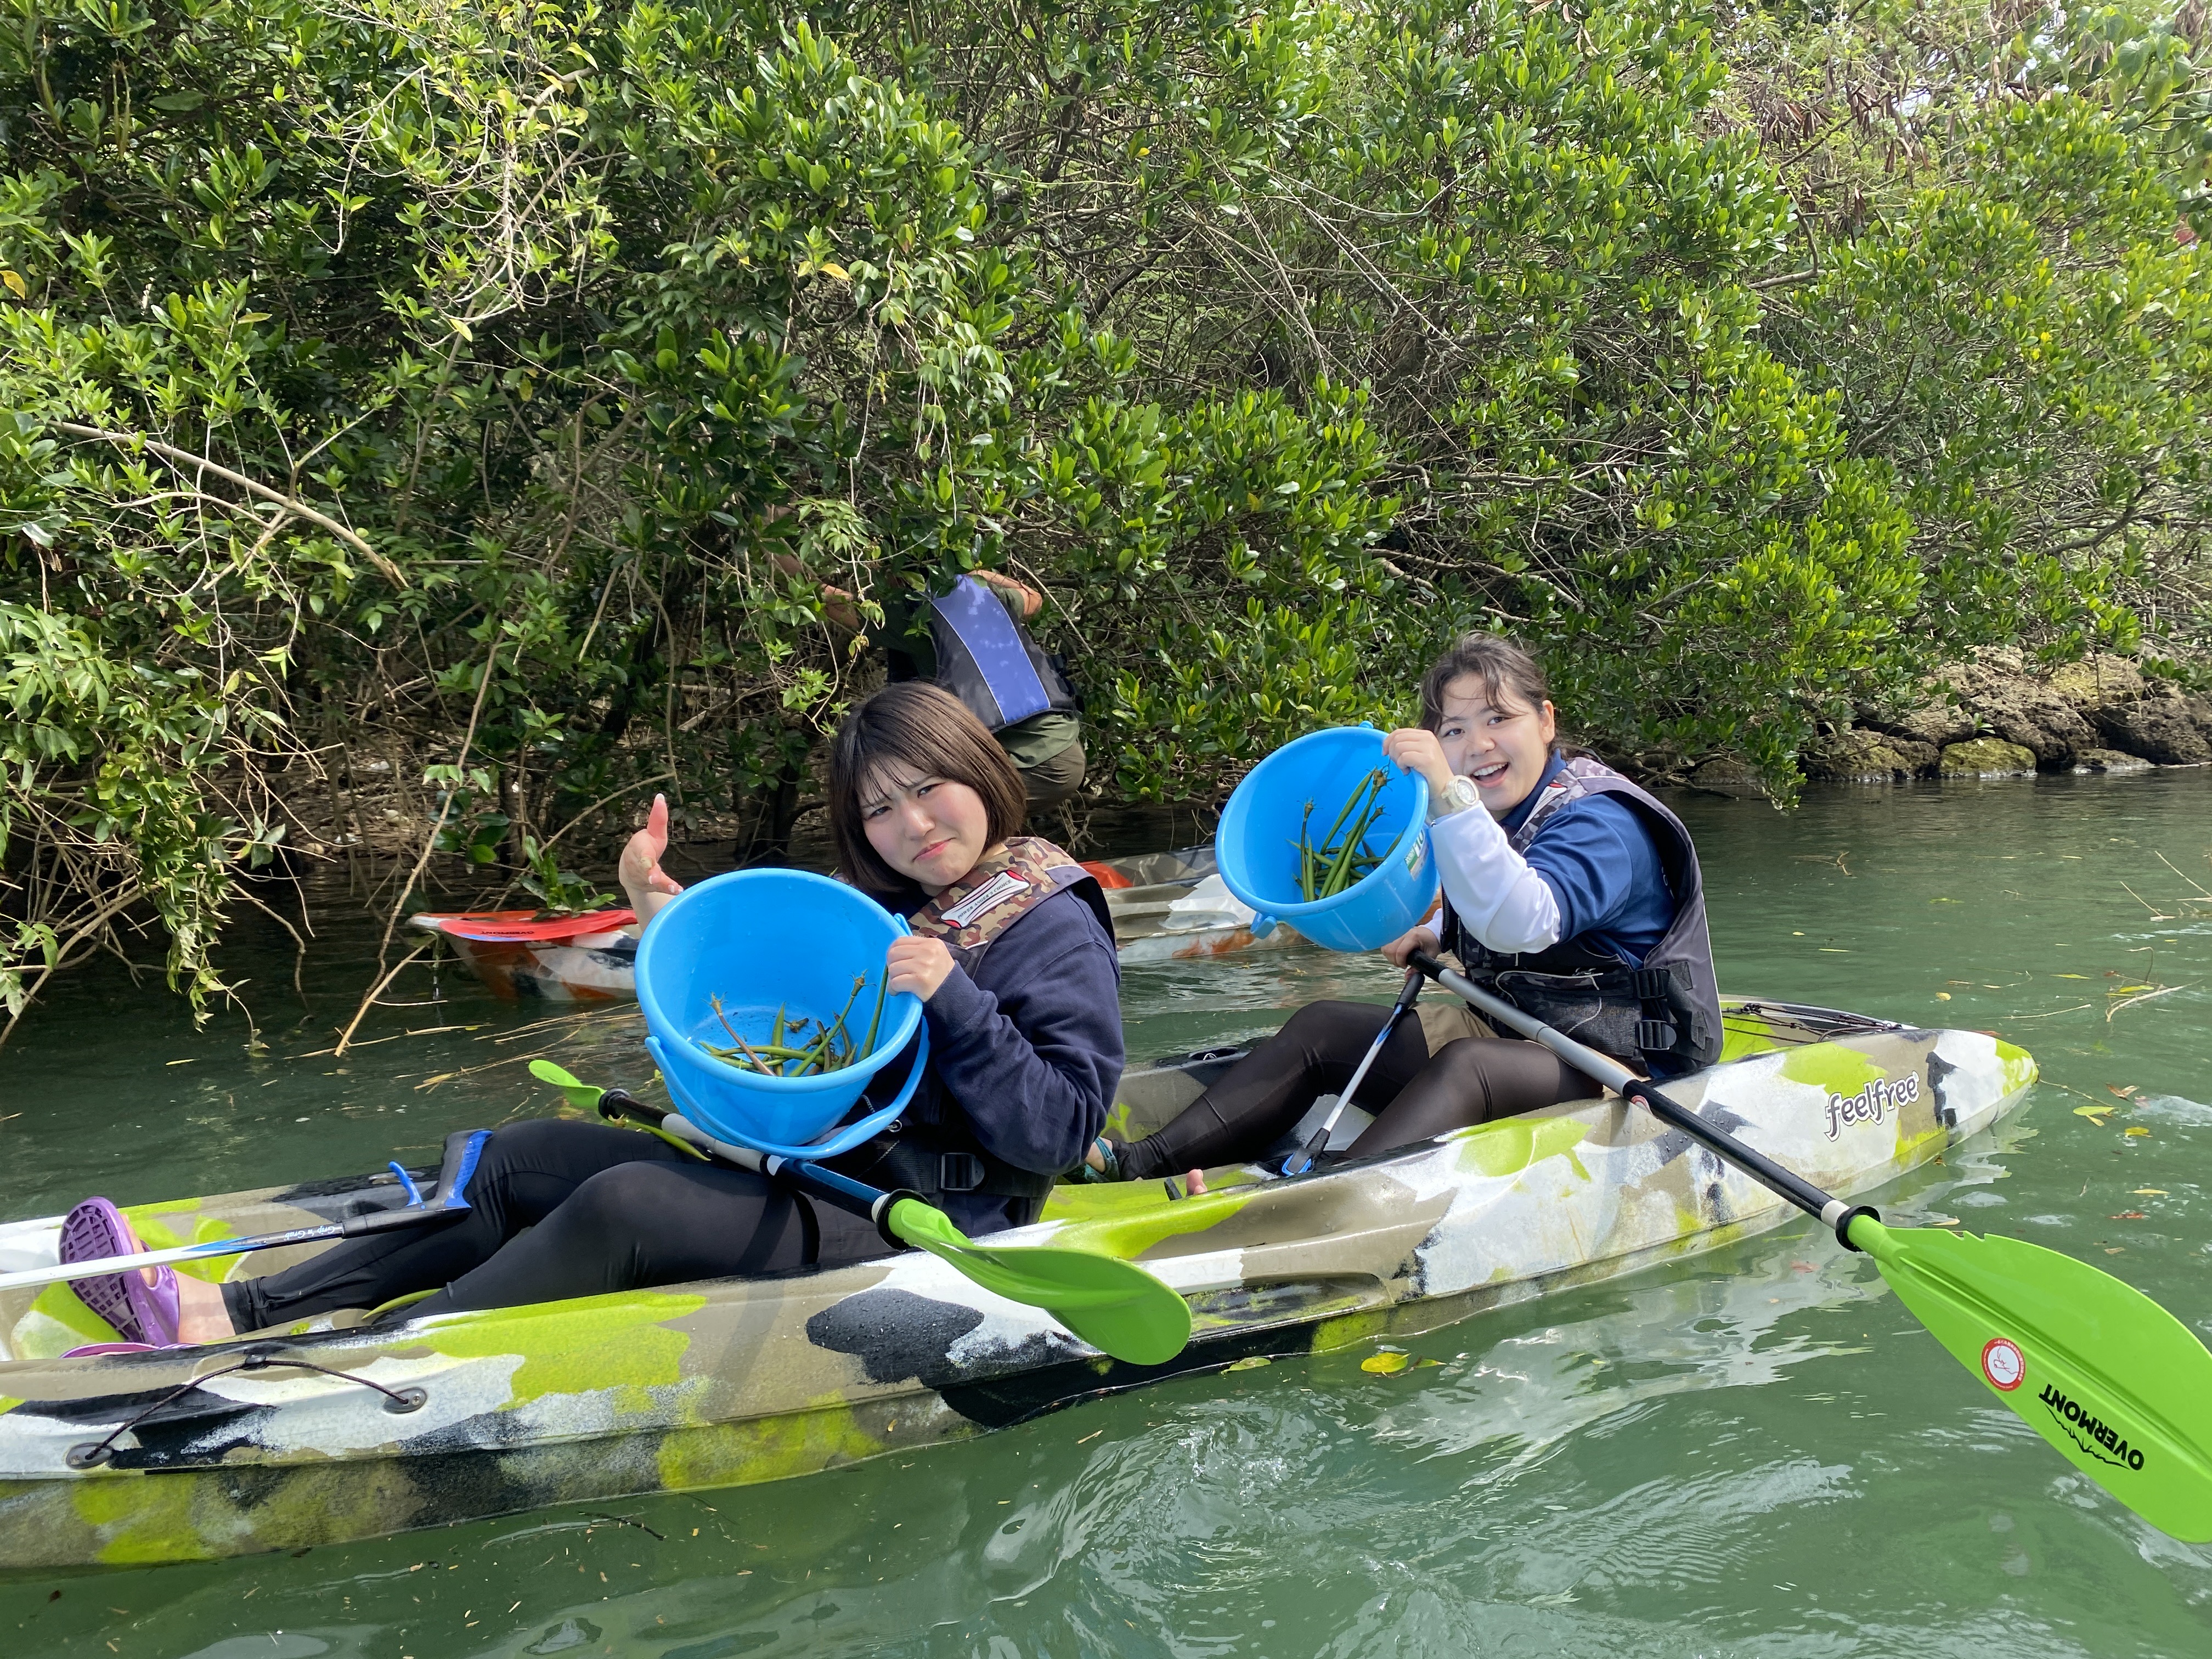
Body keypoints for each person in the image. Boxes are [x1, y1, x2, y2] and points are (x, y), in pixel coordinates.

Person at [61, 683, 1122, 1346]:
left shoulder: (1050, 917)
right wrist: (668, 918)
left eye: (929, 787)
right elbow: (768, 1028)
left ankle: (376, 1350)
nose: (909, 822)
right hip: (824, 1164)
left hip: (941, 1210)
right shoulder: (893, 909)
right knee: (512, 1156)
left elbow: (1062, 1129)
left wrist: (953, 993)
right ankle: (234, 1310)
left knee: (625, 1203)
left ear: (983, 772)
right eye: (878, 807)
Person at [1090, 633, 1720, 1185]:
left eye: (1499, 718)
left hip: (1623, 1068)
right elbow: (1483, 888)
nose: (1478, 744)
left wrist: (1448, 794)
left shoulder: (1601, 824)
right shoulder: (1496, 811)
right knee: (1323, 1028)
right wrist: (1435, 930)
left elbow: (1524, 918)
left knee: (1468, 1067)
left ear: (1546, 721)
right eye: (1454, 730)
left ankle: (1323, 1197)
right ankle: (1141, 1162)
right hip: (1519, 1029)